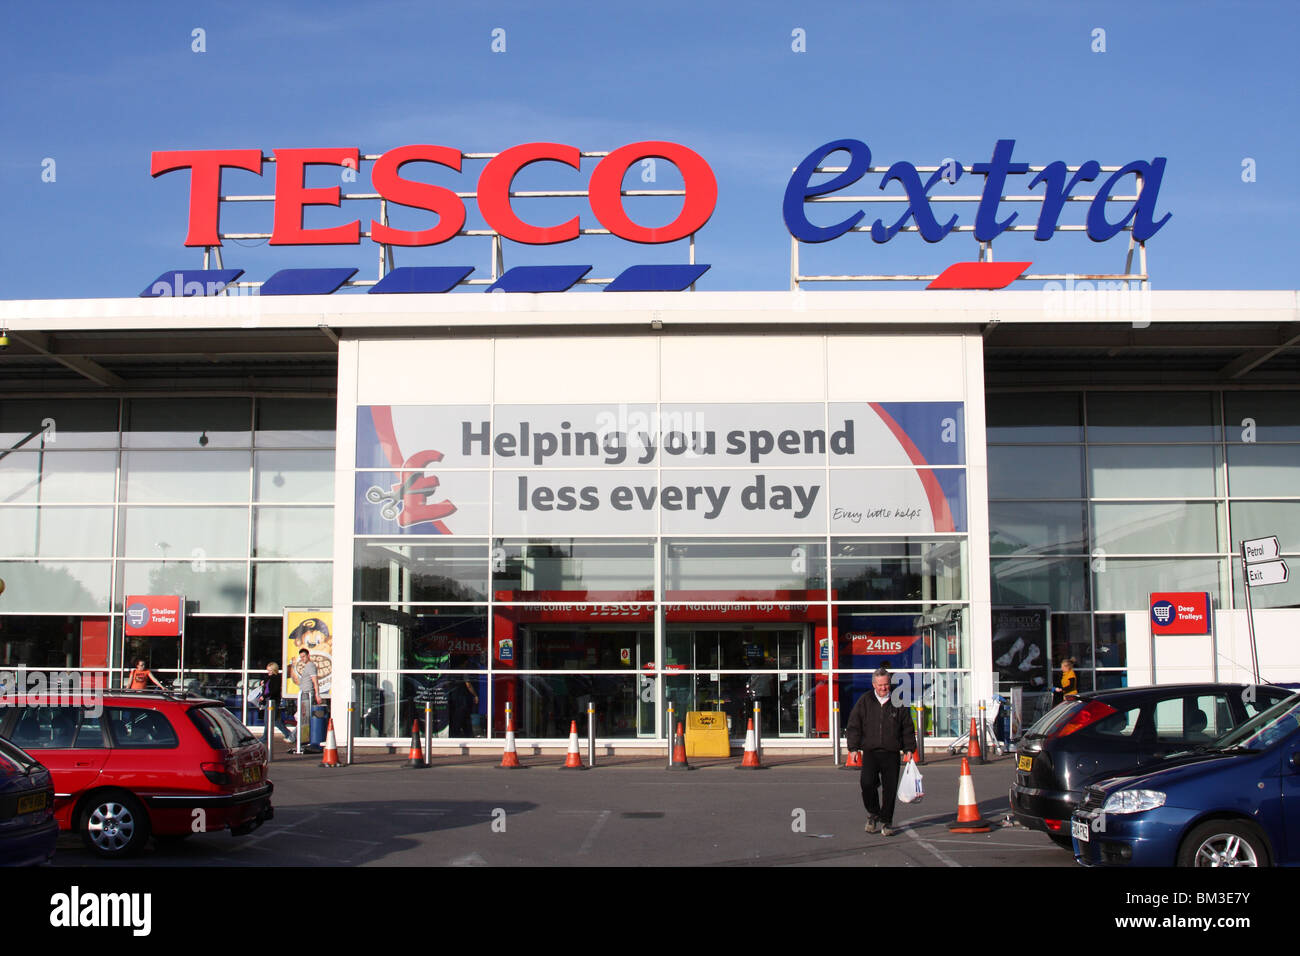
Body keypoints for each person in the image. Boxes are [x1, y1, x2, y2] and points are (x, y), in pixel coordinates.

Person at [845, 666, 917, 837]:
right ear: (873, 684)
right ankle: (873, 813)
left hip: (891, 753)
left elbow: (907, 727)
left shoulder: (898, 702)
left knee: (890, 789)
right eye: (880, 685)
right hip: (870, 752)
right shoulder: (865, 701)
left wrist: (909, 749)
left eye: (886, 685)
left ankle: (886, 822)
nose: (883, 688)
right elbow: (854, 726)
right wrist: (853, 748)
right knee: (867, 784)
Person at [288, 648, 321, 748]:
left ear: (308, 655)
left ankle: (293, 737)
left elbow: (315, 681)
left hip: (308, 694)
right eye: (301, 657)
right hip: (304, 694)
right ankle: (301, 738)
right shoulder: (307, 666)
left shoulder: (310, 666)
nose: (302, 658)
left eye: (304, 656)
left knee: (303, 717)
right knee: (300, 716)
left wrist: (317, 694)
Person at [261, 662, 293, 743]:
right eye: (268, 670)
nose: (269, 672)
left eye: (270, 670)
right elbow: (266, 687)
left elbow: (274, 690)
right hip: (268, 700)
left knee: (269, 720)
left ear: (274, 670)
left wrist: (264, 696)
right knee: (273, 720)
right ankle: (289, 734)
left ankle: (265, 738)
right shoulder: (268, 677)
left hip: (272, 700)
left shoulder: (276, 678)